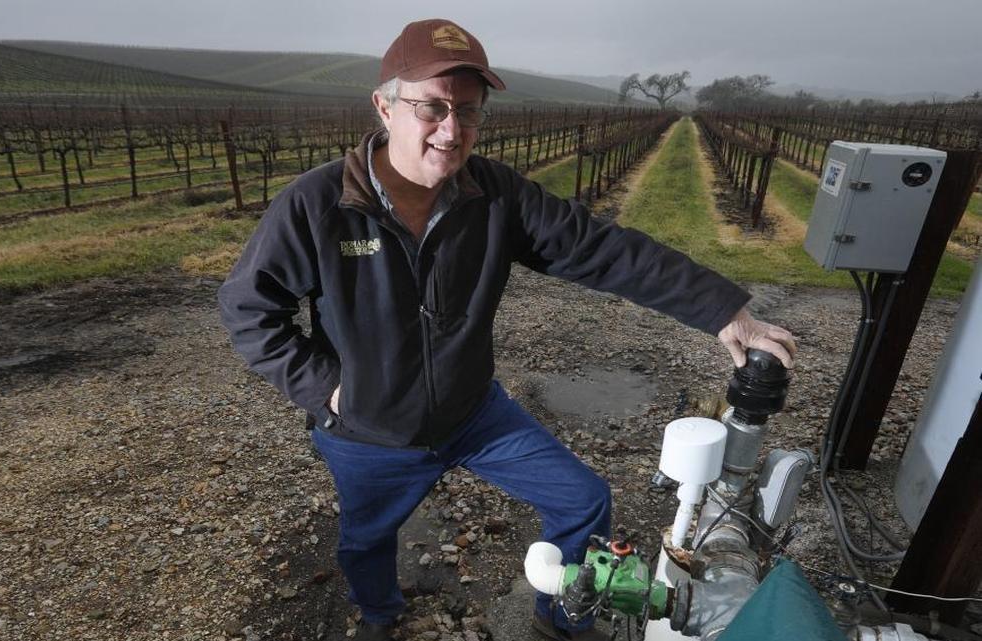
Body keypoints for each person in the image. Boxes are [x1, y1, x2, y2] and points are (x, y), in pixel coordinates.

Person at [218, 18, 796, 641]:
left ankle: (559, 617)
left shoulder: (493, 196)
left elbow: (600, 249)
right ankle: (380, 615)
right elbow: (249, 309)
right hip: (369, 430)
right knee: (366, 538)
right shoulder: (316, 205)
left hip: (474, 414)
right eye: (432, 107)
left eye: (468, 112)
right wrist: (327, 388)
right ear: (384, 107)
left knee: (582, 501)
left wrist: (722, 309)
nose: (451, 130)